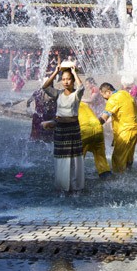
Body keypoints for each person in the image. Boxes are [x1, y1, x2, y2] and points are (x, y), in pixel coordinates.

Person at [41, 63, 85, 193]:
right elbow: (45, 87)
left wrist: (74, 72)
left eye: (68, 79)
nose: (66, 82)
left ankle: (76, 185)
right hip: (60, 128)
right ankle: (62, 185)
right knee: (62, 157)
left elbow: (81, 87)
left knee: (74, 158)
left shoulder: (76, 94)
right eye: (64, 79)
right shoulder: (58, 94)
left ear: (72, 81)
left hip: (73, 128)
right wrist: (55, 72)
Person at [98, 81, 137, 174]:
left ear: (108, 92)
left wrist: (93, 124)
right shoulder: (124, 93)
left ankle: (119, 181)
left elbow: (104, 118)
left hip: (127, 130)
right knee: (128, 155)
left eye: (103, 95)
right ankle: (130, 174)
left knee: (117, 157)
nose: (103, 98)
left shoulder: (113, 99)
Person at [78, 101, 111, 178]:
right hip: (98, 128)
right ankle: (107, 178)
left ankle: (74, 181)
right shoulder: (83, 104)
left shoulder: (67, 105)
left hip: (85, 131)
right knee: (101, 157)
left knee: (77, 157)